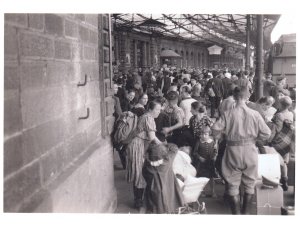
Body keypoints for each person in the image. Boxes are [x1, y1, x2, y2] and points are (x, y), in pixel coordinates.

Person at [211, 86, 271, 215]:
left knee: (233, 185)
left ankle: (236, 216)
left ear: (234, 97)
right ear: (247, 97)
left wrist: (220, 137)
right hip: (250, 150)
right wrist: (255, 138)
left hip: (232, 150)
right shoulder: (255, 114)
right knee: (250, 184)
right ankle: (245, 214)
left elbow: (215, 129)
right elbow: (267, 133)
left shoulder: (227, 114)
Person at [126, 101, 162, 210]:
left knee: (139, 172)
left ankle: (139, 199)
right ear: (150, 109)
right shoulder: (148, 118)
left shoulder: (146, 116)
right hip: (137, 145)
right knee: (139, 173)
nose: (159, 112)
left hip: (139, 145)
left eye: (160, 110)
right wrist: (164, 145)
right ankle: (138, 201)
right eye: (157, 109)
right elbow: (152, 137)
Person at [142, 143, 185, 213]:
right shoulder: (168, 161)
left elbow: (143, 173)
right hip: (169, 191)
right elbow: (174, 148)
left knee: (156, 209)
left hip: (155, 193)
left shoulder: (148, 166)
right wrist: (160, 142)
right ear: (164, 155)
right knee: (169, 207)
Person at [192, 126, 218, 197]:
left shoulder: (212, 142)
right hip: (201, 163)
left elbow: (215, 151)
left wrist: (214, 157)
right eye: (202, 134)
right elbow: (195, 152)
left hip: (210, 163)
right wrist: (200, 157)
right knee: (202, 177)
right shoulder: (199, 142)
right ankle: (202, 192)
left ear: (209, 134)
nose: (204, 136)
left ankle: (213, 191)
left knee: (211, 177)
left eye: (206, 134)